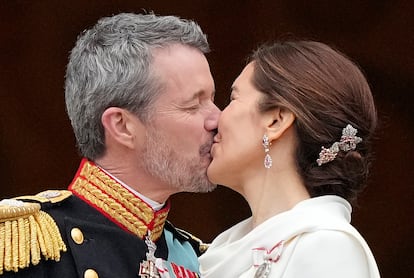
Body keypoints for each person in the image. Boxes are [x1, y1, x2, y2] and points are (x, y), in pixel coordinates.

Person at [0, 12, 220, 277]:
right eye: (193, 104)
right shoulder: (24, 246)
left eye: (212, 99)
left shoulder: (199, 259)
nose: (218, 118)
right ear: (121, 125)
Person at [199, 40, 381, 277]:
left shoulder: (327, 247)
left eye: (233, 99)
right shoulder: (224, 248)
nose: (214, 120)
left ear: (276, 121)